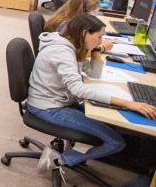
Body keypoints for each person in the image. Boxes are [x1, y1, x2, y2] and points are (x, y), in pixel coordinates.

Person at [27, 14, 156, 172]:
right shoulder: (62, 52)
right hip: (48, 107)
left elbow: (94, 73)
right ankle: (60, 159)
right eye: (99, 37)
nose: (101, 41)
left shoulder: (70, 44)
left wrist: (96, 48)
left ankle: (76, 146)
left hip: (59, 99)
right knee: (116, 142)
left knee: (109, 118)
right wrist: (128, 103)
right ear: (84, 33)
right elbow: (78, 90)